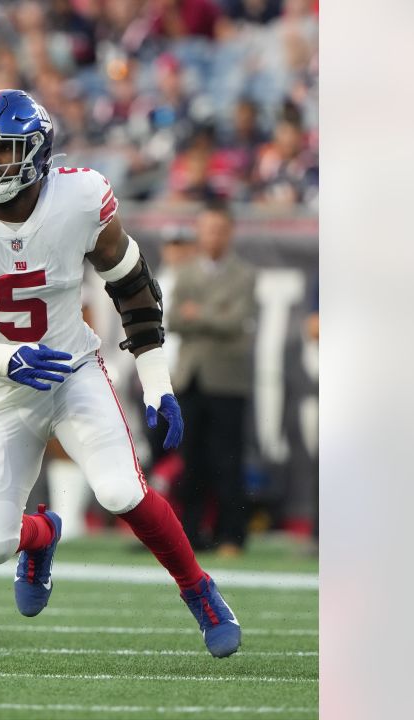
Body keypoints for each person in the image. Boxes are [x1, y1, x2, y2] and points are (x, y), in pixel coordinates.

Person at [0, 89, 240, 657]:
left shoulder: (80, 197)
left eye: (2, 150)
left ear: (35, 150)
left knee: (120, 490)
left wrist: (158, 383)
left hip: (71, 370)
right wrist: (3, 358)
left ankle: (199, 590)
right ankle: (43, 535)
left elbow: (134, 287)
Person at [168, 202, 257, 557]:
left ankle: (233, 535)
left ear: (230, 232)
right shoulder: (185, 271)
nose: (213, 236)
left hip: (227, 379)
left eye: (219, 229)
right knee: (191, 461)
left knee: (229, 460)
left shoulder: (245, 274)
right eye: (207, 229)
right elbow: (174, 318)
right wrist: (213, 314)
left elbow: (235, 321)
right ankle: (190, 533)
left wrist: (198, 314)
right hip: (190, 377)